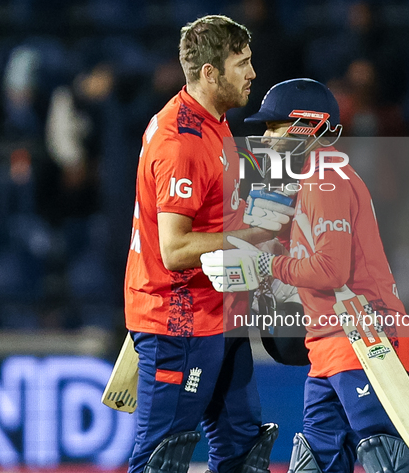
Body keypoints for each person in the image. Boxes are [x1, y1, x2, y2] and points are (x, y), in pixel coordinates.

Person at [201, 78, 409, 473]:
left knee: (386, 456)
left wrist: (264, 268)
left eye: (274, 127)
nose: (266, 138)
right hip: (329, 339)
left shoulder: (326, 181)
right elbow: (307, 260)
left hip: (364, 334)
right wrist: (264, 263)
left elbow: (331, 269)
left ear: (304, 126)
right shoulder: (312, 179)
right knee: (317, 459)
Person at [123, 15, 283, 473]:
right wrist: (254, 235)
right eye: (242, 64)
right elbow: (173, 249)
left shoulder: (213, 120)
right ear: (210, 72)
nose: (252, 73)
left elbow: (215, 206)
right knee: (162, 459)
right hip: (179, 322)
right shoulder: (181, 142)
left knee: (243, 450)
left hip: (219, 312)